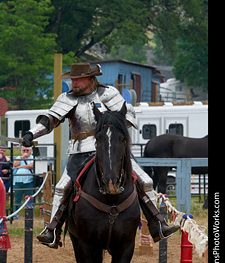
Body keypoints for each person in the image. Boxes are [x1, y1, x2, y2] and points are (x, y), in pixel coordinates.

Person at [21, 62, 179, 248]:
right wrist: (32, 133)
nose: (74, 83)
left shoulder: (108, 93)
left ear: (90, 78)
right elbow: (50, 119)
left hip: (111, 148)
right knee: (62, 186)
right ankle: (52, 230)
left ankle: (158, 224)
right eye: (72, 79)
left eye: (77, 79)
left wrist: (113, 124)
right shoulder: (67, 98)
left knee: (145, 180)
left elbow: (128, 115)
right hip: (80, 150)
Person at [13, 146, 34, 211]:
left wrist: (20, 166)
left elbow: (31, 166)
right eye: (24, 150)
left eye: (27, 150)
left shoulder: (32, 158)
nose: (26, 152)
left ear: (30, 151)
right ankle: (15, 214)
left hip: (28, 181)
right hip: (18, 181)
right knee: (17, 199)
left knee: (29, 198)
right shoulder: (19, 158)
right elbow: (15, 165)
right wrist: (22, 157)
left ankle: (30, 213)